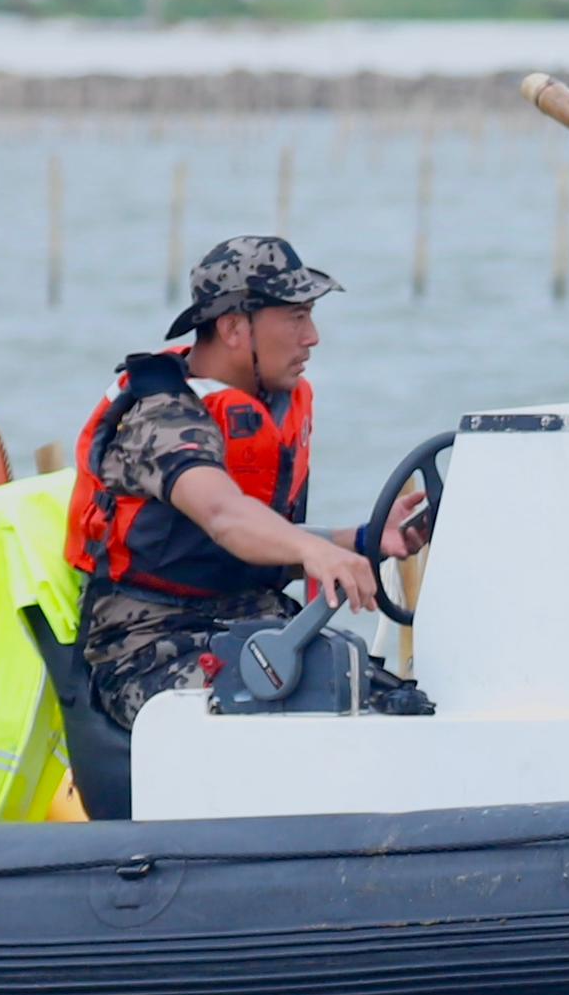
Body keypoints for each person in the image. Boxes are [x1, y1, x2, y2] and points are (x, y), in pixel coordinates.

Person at [65, 234, 432, 730]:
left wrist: (366, 539)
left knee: (394, 699)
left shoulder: (270, 407)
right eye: (296, 317)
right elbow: (224, 515)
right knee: (318, 706)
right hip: (149, 649)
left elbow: (251, 544)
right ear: (236, 328)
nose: (312, 337)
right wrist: (314, 552)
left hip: (256, 628)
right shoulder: (162, 418)